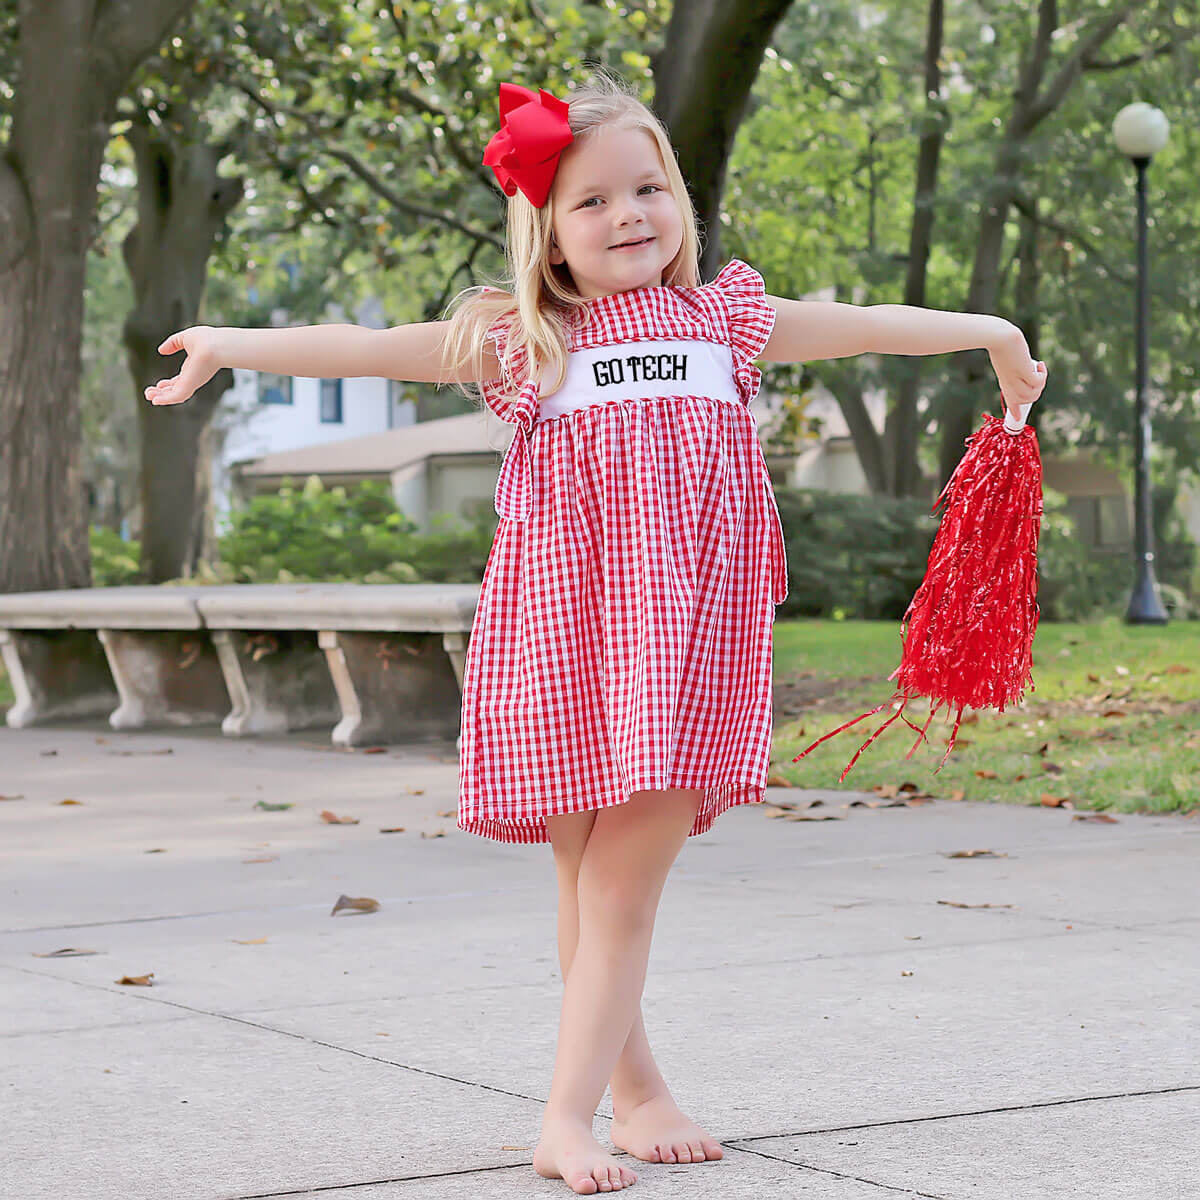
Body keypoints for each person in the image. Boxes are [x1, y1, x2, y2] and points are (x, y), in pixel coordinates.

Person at [145, 67, 1047, 1196]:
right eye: (593, 200)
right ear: (549, 236)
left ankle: (577, 1113)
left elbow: (866, 327)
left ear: (679, 199)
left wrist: (990, 331)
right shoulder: (528, 341)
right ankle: (622, 1097)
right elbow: (366, 344)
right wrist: (234, 343)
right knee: (585, 881)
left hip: (686, 647)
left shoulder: (728, 319)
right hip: (565, 637)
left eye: (649, 188)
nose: (630, 214)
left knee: (621, 886)